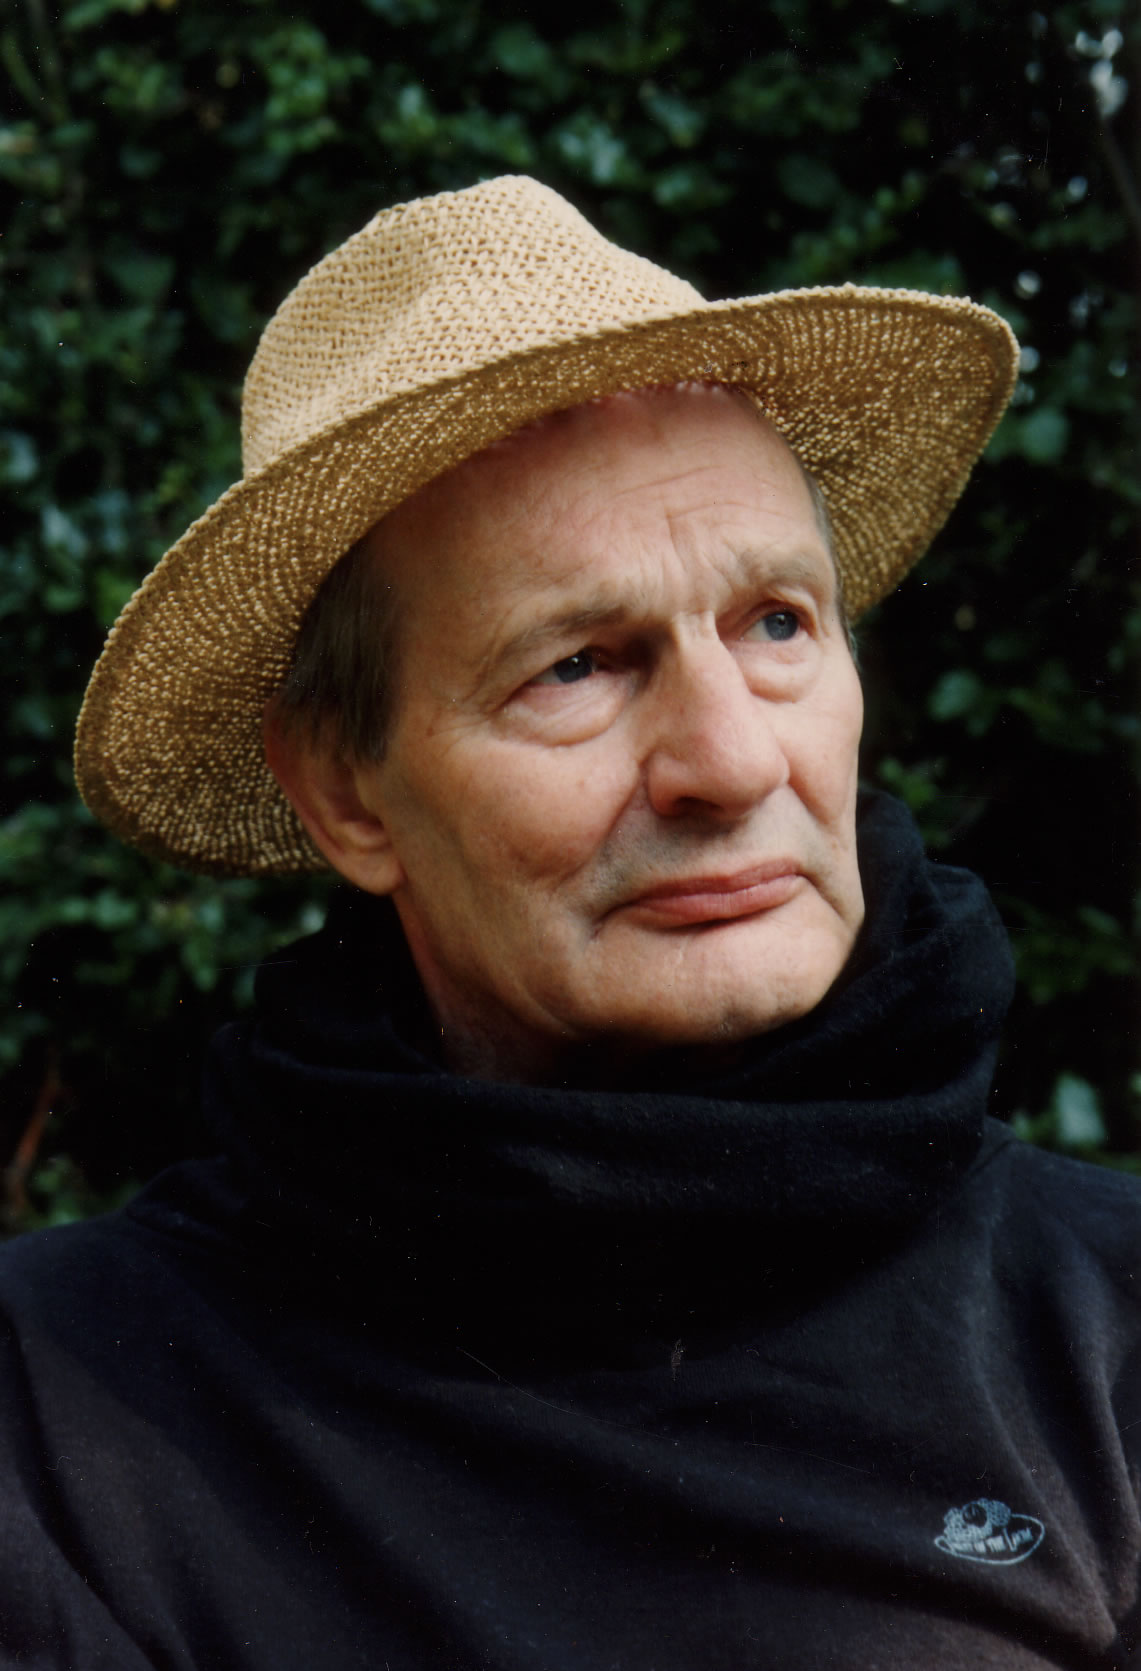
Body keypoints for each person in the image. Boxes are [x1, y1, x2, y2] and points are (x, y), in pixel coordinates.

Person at [1, 175, 1137, 1668]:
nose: (732, 762)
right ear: (344, 792)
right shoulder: (59, 1409)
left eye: (777, 624)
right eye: (577, 666)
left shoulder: (1110, 1327)